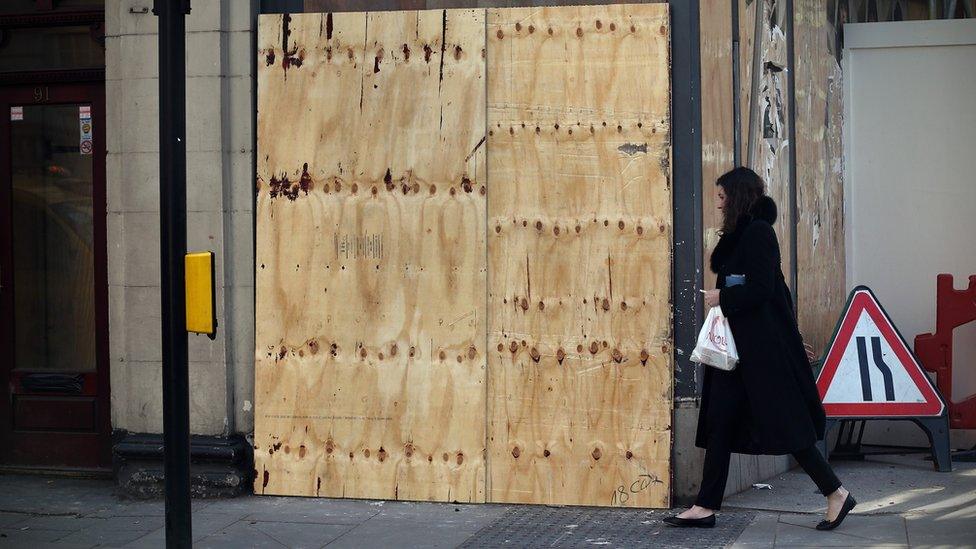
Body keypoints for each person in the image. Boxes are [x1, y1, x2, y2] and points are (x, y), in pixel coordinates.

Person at [664, 167, 855, 530]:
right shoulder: (741, 235)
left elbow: (765, 290)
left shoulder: (758, 234)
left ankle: (836, 492)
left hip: (761, 353)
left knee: (785, 424)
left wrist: (724, 296)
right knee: (720, 421)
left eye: (722, 196)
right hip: (737, 351)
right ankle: (705, 506)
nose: (717, 204)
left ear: (736, 197)